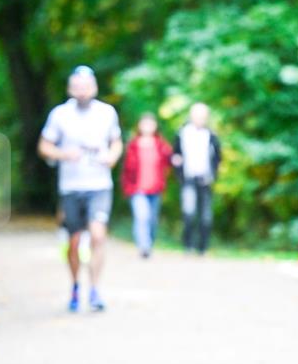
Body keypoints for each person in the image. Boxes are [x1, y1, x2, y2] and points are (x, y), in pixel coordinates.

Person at [38, 65, 123, 312]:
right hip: (71, 187)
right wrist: (63, 154)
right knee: (74, 242)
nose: (82, 92)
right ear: (70, 89)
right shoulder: (59, 115)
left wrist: (112, 157)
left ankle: (95, 289)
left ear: (94, 88)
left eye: (86, 87)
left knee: (98, 235)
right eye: (77, 87)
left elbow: (116, 142)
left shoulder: (107, 113)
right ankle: (76, 286)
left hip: (99, 185)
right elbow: (44, 146)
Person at [172, 103, 221, 255]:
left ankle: (202, 248)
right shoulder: (182, 133)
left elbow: (218, 158)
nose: (200, 119)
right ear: (191, 116)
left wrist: (213, 175)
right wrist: (178, 168)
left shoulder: (211, 135)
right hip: (188, 179)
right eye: (197, 116)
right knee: (189, 213)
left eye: (203, 116)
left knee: (206, 216)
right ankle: (188, 246)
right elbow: (175, 155)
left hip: (205, 179)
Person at [121, 112, 173, 258]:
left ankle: (149, 242)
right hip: (137, 189)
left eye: (150, 124)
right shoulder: (133, 145)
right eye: (144, 124)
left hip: (155, 188)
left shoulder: (160, 144)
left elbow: (170, 160)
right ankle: (144, 247)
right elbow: (126, 169)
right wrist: (126, 187)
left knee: (152, 219)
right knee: (141, 217)